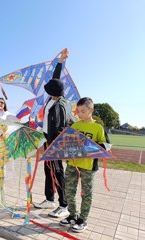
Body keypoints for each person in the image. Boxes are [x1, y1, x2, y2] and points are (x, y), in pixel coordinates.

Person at [59, 97, 109, 232]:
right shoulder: (75, 126)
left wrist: (89, 145)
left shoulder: (98, 128)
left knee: (86, 193)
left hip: (88, 166)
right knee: (69, 190)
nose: (79, 114)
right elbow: (66, 145)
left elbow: (106, 146)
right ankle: (72, 215)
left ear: (91, 110)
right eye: (78, 111)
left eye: (82, 111)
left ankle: (82, 219)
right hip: (72, 164)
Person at [33, 49, 70, 218]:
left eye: (48, 89)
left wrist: (53, 146)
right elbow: (56, 79)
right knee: (48, 171)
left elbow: (61, 128)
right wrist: (61, 62)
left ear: (53, 92)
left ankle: (64, 205)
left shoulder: (61, 105)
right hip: (48, 140)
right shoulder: (53, 98)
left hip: (55, 144)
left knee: (57, 171)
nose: (46, 90)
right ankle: (49, 199)